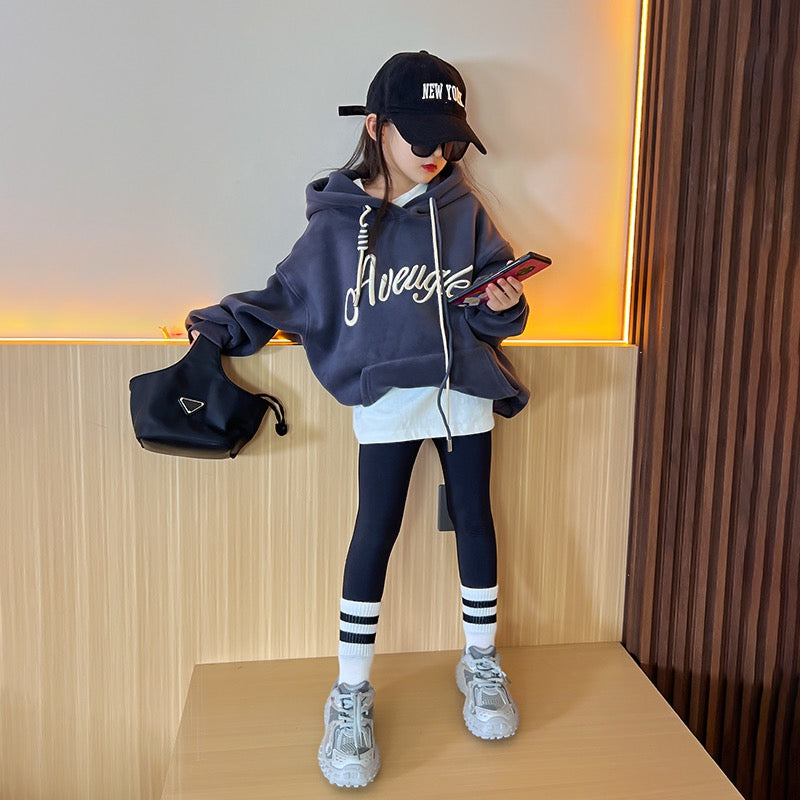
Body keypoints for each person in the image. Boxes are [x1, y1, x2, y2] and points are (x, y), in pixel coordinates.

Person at [186, 50, 529, 788]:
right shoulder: (339, 227)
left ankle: (481, 662)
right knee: (375, 531)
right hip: (387, 400)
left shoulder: (463, 209)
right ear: (375, 127)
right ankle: (349, 691)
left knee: (476, 519)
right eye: (421, 137)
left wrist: (507, 305)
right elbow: (286, 296)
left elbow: (492, 307)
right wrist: (216, 328)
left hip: (464, 391)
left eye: (450, 140)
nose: (438, 155)